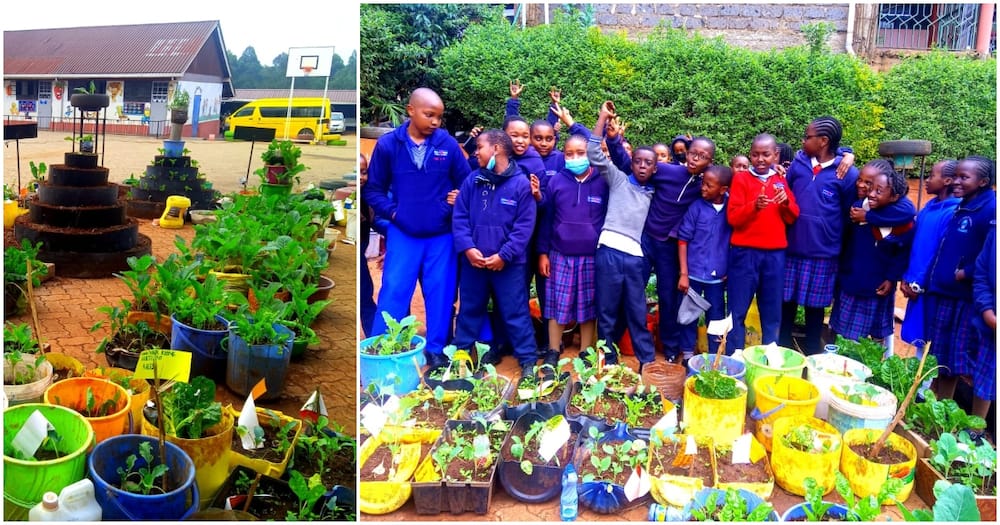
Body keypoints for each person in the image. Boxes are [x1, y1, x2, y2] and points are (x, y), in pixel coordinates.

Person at [363, 87, 470, 369]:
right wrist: (395, 213)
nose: (435, 121)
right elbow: (373, 191)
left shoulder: (447, 146)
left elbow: (467, 183)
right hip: (404, 233)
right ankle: (386, 350)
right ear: (411, 111)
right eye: (429, 114)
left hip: (441, 236)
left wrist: (453, 203)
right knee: (394, 292)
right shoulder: (388, 146)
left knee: (441, 293)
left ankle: (436, 350)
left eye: (439, 117)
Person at [451, 129, 538, 379]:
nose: (476, 152)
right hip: (474, 263)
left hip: (508, 265)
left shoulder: (522, 184)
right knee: (469, 310)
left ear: (496, 149)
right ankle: (460, 360)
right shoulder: (472, 180)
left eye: (480, 147)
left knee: (515, 312)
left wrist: (504, 255)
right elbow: (460, 218)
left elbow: (524, 227)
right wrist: (468, 249)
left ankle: (528, 361)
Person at [779, 117, 859, 355]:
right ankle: (782, 353)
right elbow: (786, 194)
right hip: (792, 247)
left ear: (823, 141)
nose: (803, 141)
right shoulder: (798, 164)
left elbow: (847, 213)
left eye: (807, 137)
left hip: (823, 253)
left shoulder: (847, 173)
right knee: (786, 305)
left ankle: (813, 357)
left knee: (815, 310)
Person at [588, 101, 657, 370]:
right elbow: (594, 151)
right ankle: (608, 362)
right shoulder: (618, 179)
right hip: (609, 252)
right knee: (606, 310)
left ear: (654, 169)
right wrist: (603, 117)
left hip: (635, 258)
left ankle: (647, 362)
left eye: (648, 163)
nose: (641, 166)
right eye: (637, 161)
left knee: (637, 311)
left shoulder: (654, 191)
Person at [924, 156, 997, 400]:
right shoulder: (964, 204)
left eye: (964, 177)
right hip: (946, 292)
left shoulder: (989, 210)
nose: (956, 181)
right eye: (955, 176)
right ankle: (937, 404)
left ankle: (949, 410)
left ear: (984, 181)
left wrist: (965, 272)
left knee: (957, 359)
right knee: (942, 356)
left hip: (964, 298)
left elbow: (991, 255)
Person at [537, 134, 609, 370]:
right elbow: (546, 219)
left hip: (591, 255)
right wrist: (543, 253)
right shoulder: (556, 181)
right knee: (557, 304)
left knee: (588, 306)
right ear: (563, 155)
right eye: (570, 154)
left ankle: (586, 350)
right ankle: (553, 349)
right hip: (560, 254)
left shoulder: (602, 182)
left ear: (590, 155)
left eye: (581, 153)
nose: (575, 157)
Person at [727, 133, 799, 353]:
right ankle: (734, 357)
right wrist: (754, 206)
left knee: (771, 311)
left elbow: (793, 216)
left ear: (775, 155)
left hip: (774, 255)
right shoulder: (741, 179)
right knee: (737, 309)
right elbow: (733, 218)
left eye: (766, 155)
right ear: (750, 155)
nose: (760, 159)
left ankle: (769, 358)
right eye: (756, 155)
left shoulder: (780, 180)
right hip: (745, 253)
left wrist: (786, 202)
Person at [830, 160, 915, 344]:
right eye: (867, 184)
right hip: (851, 277)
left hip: (877, 283)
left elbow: (902, 249)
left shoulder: (897, 216)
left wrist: (892, 277)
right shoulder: (859, 204)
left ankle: (873, 366)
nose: (869, 191)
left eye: (875, 187)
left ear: (893, 195)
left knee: (875, 337)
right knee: (844, 333)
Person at [899, 160, 960, 346]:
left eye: (932, 176)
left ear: (947, 181)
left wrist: (919, 284)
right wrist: (906, 277)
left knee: (930, 339)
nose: (926, 180)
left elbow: (938, 254)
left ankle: (926, 375)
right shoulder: (929, 207)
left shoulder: (952, 213)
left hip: (928, 288)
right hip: (914, 283)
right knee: (916, 335)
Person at [677, 165, 733, 356]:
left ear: (723, 189)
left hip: (717, 279)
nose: (703, 188)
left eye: (709, 185)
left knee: (716, 319)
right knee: (688, 316)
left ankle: (714, 359)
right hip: (692, 275)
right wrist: (684, 274)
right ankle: (687, 355)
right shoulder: (696, 207)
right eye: (703, 183)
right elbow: (683, 240)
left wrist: (729, 268)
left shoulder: (731, 208)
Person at [971, 220, 996, 420]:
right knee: (984, 380)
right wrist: (987, 310)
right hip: (992, 322)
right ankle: (975, 432)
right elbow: (981, 273)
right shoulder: (995, 231)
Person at [358, 152, 377, 337]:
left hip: (361, 253)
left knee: (365, 294)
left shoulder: (369, 196)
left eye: (364, 172)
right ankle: (374, 337)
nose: (361, 177)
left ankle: (375, 337)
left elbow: (378, 220)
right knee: (364, 295)